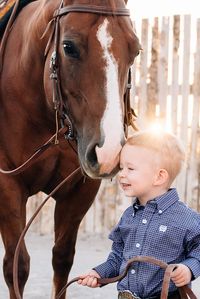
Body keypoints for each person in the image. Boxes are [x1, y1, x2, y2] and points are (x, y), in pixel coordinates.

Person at [78, 130, 200, 299]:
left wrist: (189, 268)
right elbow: (118, 257)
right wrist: (98, 273)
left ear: (159, 176)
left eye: (130, 168)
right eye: (121, 167)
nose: (122, 174)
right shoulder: (129, 216)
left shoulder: (185, 218)